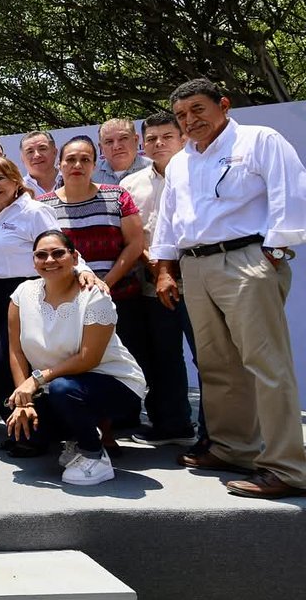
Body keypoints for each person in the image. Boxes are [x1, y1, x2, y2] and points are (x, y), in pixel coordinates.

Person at [153, 78, 306, 499]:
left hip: (246, 260)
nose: (190, 121)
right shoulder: (182, 161)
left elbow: (290, 193)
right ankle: (232, 447)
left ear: (223, 104)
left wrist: (272, 252)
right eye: (182, 115)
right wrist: (165, 269)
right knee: (217, 365)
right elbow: (169, 219)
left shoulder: (259, 140)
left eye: (198, 110)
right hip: (195, 267)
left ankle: (288, 468)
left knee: (267, 366)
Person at [5, 231, 147, 486]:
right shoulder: (22, 293)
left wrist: (35, 380)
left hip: (115, 385)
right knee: (24, 432)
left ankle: (94, 455)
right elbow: (16, 350)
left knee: (64, 389)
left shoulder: (95, 296)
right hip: (59, 386)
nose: (50, 260)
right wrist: (22, 399)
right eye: (41, 255)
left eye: (58, 253)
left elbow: (87, 360)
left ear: (75, 257)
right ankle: (77, 438)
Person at [0, 156, 98, 434]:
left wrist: (84, 270)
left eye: (0, 178)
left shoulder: (34, 211)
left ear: (16, 180)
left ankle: (33, 430)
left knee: (5, 363)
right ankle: (16, 424)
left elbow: (58, 247)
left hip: (25, 291)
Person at [38, 136, 146, 434]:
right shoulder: (43, 205)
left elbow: (135, 242)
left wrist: (104, 284)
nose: (77, 165)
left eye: (85, 159)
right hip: (68, 306)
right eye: (70, 159)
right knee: (80, 365)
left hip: (118, 296)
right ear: (59, 164)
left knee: (111, 367)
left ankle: (113, 430)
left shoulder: (116, 196)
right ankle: (90, 432)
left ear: (95, 163)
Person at [119, 112, 198, 448]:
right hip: (152, 284)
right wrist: (151, 262)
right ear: (143, 145)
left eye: (167, 136)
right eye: (151, 139)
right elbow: (129, 237)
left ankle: (216, 433)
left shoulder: (199, 174)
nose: (159, 143)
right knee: (163, 357)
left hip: (198, 281)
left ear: (182, 139)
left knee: (208, 359)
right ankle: (172, 423)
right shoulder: (129, 186)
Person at [92, 119, 152, 185]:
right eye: (109, 142)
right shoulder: (90, 174)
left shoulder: (155, 170)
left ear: (136, 140)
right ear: (101, 147)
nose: (117, 147)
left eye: (123, 138)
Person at [19, 131, 61, 195]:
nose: (37, 155)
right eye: (30, 152)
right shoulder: (17, 189)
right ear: (22, 158)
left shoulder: (72, 179)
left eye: (42, 149)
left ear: (55, 152)